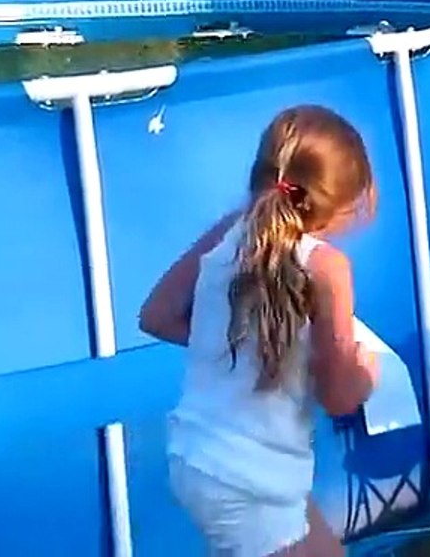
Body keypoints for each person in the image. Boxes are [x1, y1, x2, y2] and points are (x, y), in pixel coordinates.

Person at [138, 104, 381, 557]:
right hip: (250, 478)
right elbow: (338, 397)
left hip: (205, 455)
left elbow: (156, 315)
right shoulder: (327, 268)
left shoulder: (231, 231)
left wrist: (237, 340)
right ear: (341, 208)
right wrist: (367, 371)